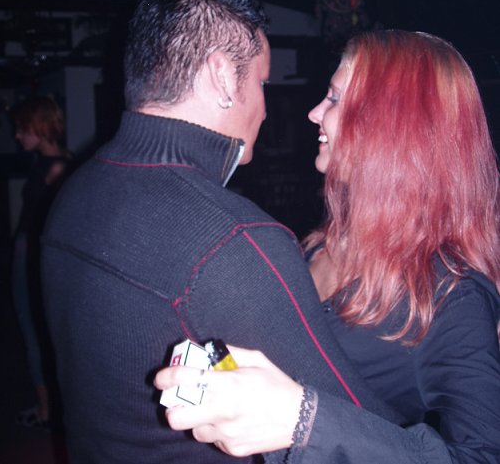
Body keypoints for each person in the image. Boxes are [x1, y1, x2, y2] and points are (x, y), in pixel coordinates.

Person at [41, 0, 400, 464]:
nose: (266, 107)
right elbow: (363, 433)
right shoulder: (232, 240)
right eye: (262, 83)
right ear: (223, 77)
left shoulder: (76, 190)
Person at [155, 30, 500, 463]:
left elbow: (483, 455)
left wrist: (304, 423)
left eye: (334, 99)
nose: (314, 112)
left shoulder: (450, 296)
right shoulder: (317, 245)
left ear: (391, 125)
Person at [11, 95, 72, 428]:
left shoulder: (58, 168)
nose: (18, 135)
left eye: (23, 129)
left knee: (34, 328)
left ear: (39, 126)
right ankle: (48, 406)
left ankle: (47, 409)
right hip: (31, 250)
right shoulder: (55, 162)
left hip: (33, 252)